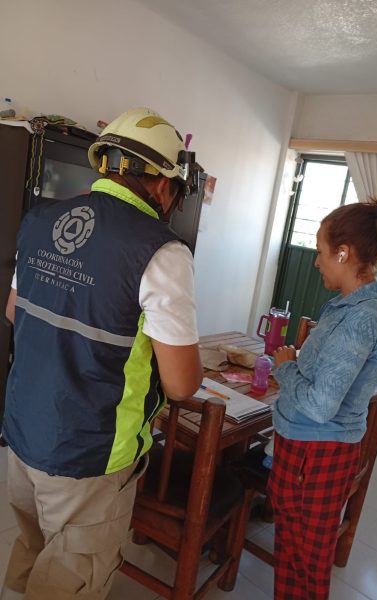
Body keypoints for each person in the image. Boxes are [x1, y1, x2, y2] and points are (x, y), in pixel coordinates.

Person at [1, 107, 204, 600]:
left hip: (23, 431)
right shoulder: (162, 251)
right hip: (89, 450)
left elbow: (13, 312)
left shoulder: (40, 219)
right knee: (70, 578)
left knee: (34, 545)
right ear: (163, 184)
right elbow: (182, 384)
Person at [267, 200, 377, 600]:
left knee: (305, 561)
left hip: (316, 454)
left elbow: (320, 406)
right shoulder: (351, 307)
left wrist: (286, 368)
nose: (316, 261)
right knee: (291, 550)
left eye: (320, 251)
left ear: (343, 252)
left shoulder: (362, 318)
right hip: (308, 448)